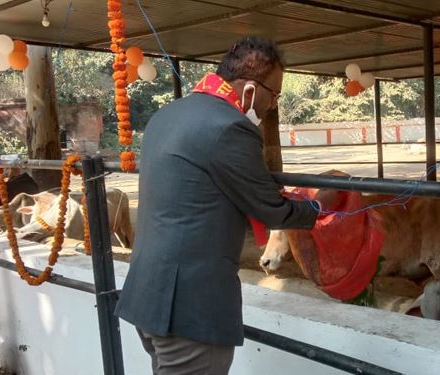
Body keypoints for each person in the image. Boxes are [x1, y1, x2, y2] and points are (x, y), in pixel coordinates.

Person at [115, 37, 320, 375]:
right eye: (275, 94)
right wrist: (318, 209)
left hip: (148, 294)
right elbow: (272, 209)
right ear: (252, 90)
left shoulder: (167, 114)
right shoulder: (230, 128)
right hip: (189, 309)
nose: (272, 105)